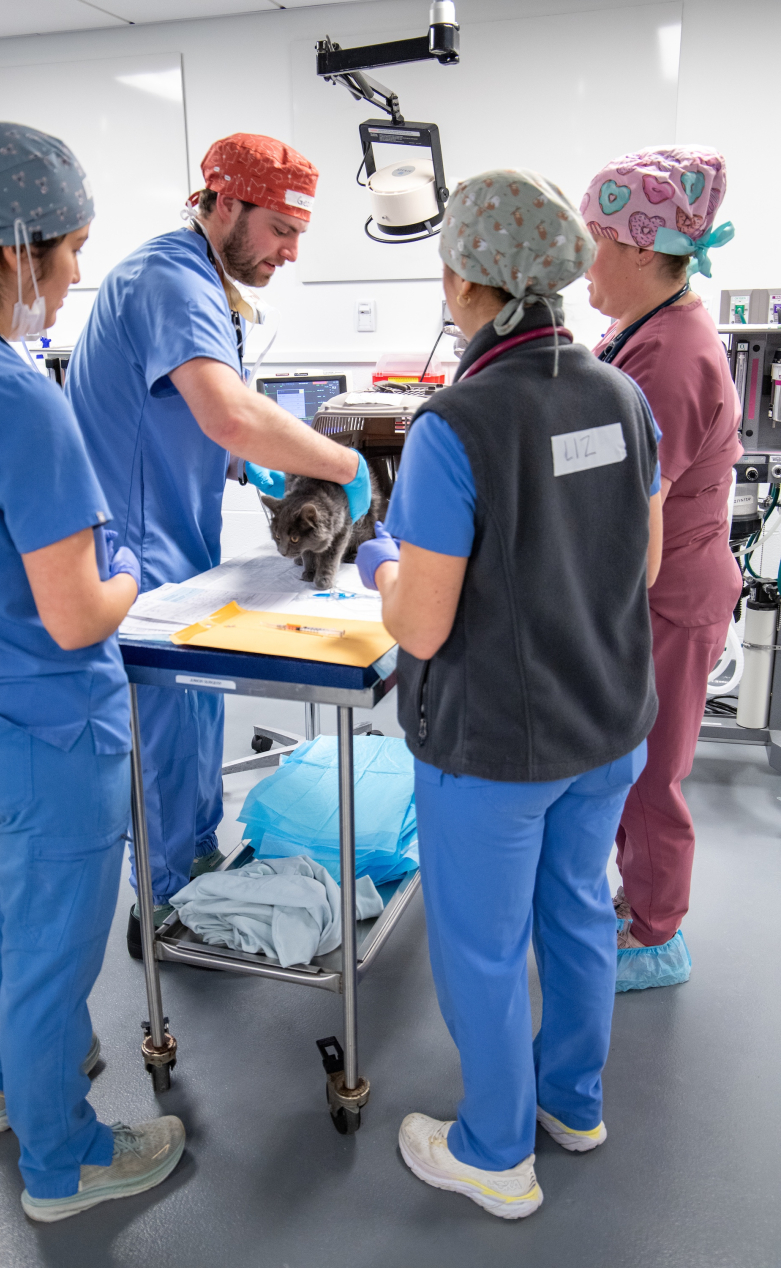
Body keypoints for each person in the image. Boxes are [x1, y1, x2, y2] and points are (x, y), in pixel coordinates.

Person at [356, 169, 663, 1218]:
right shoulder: (620, 397)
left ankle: (492, 1151)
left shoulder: (454, 425)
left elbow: (419, 627)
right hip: (605, 724)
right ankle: (571, 1104)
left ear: (462, 281)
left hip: (495, 751)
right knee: (574, 912)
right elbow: (641, 564)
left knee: (482, 949)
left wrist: (382, 564)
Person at [0, 122, 183, 1222]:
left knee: (17, 904)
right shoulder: (11, 392)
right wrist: (132, 565)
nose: (78, 273)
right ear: (16, 249)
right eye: (74, 249)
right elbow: (79, 611)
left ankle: (4, 1086)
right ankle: (64, 1162)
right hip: (45, 725)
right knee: (53, 944)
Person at [64, 133, 370, 952]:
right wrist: (343, 466)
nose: (291, 251)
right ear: (225, 203)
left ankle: (195, 862)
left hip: (177, 544)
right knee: (166, 736)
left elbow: (199, 416)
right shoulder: (167, 277)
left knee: (196, 720)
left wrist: (251, 466)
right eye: (280, 229)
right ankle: (164, 904)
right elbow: (227, 412)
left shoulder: (205, 280)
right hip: (135, 553)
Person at [581, 146, 742, 990]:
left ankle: (655, 935)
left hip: (667, 594)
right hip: (657, 588)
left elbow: (630, 508)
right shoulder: (641, 329)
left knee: (649, 771)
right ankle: (637, 904)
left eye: (595, 242)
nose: (582, 260)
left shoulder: (670, 356)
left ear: (642, 249)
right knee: (631, 760)